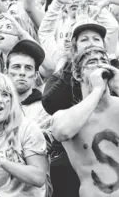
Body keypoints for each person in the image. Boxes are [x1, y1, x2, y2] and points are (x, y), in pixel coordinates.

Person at [51, 47, 119, 197]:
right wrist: (97, 90)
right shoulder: (66, 116)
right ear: (77, 74)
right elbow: (62, 131)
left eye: (104, 61)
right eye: (92, 62)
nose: (100, 66)